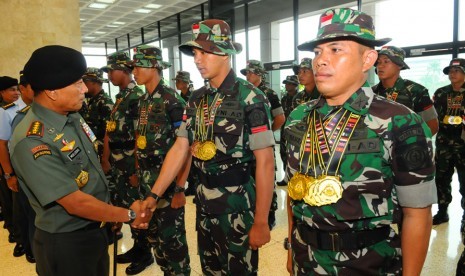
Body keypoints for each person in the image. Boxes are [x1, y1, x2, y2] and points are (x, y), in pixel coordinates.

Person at [284, 8, 435, 275]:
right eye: (317, 52)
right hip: (304, 257)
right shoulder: (298, 117)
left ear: (368, 59)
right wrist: (292, 252)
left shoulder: (400, 121)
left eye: (335, 50)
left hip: (368, 263)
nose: (320, 61)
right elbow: (295, 192)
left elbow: (417, 213)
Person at [134, 19, 276, 275]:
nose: (198, 60)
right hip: (204, 202)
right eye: (196, 53)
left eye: (205, 52)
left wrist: (262, 221)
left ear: (224, 53)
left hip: (237, 207)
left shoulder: (251, 97)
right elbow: (180, 146)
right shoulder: (197, 98)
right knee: (210, 270)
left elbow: (266, 161)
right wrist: (154, 195)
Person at [9, 45, 146, 276]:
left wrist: (107, 214)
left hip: (95, 230)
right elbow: (74, 203)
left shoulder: (72, 116)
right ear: (52, 91)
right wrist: (126, 214)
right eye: (76, 83)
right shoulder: (32, 141)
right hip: (67, 244)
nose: (84, 88)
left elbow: (90, 171)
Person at [129, 44, 191, 275]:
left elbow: (185, 148)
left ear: (153, 67)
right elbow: (140, 139)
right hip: (147, 183)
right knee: (155, 239)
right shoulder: (144, 100)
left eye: (138, 66)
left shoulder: (172, 101)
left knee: (172, 244)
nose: (134, 71)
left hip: (167, 185)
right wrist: (137, 171)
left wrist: (179, 188)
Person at [100, 51, 149, 274]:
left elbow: (140, 136)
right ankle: (136, 247)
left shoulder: (136, 97)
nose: (109, 75)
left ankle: (144, 252)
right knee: (125, 206)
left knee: (137, 208)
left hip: (130, 162)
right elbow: (109, 130)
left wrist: (137, 170)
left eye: (112, 70)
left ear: (124, 71)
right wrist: (106, 157)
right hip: (117, 163)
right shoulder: (120, 98)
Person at [241, 59, 285, 229]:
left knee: (267, 179)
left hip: (262, 144)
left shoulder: (269, 94)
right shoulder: (243, 93)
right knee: (250, 178)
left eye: (250, 73)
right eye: (246, 73)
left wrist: (267, 135)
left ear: (259, 74)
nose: (247, 76)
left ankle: (270, 215)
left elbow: (280, 118)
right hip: (247, 146)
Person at [372, 45, 438, 135]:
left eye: (386, 61)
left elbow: (432, 126)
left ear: (399, 65)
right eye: (378, 62)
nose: (380, 66)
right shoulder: (371, 92)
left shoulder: (416, 91)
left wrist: (415, 145)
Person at [432, 58, 465, 227]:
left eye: (456, 71)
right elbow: (433, 117)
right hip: (444, 144)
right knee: (441, 179)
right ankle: (442, 212)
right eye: (450, 71)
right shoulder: (440, 93)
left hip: (464, 145)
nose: (452, 74)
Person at [0, 75, 27, 259]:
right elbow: (2, 144)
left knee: (21, 204)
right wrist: (7, 172)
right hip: (8, 163)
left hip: (23, 162)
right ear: (2, 93)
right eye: (11, 90)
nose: (16, 93)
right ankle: (17, 237)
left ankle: (23, 236)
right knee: (10, 202)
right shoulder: (4, 112)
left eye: (17, 89)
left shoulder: (25, 107)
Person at [172, 70, 199, 196]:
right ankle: (191, 185)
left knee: (194, 162)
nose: (177, 83)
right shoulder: (181, 96)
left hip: (194, 131)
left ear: (185, 83)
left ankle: (195, 186)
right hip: (184, 131)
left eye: (178, 81)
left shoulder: (194, 96)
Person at [81, 67, 114, 160]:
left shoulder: (105, 103)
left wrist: (105, 158)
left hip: (101, 153)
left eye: (85, 81)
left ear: (93, 82)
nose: (83, 85)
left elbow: (108, 134)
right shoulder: (91, 102)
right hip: (91, 150)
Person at [278, 75, 299, 186]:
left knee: (296, 155)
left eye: (289, 83)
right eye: (286, 83)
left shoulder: (300, 97)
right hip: (285, 130)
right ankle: (287, 177)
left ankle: (296, 178)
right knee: (283, 153)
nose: (287, 85)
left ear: (295, 85)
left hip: (297, 131)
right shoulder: (284, 98)